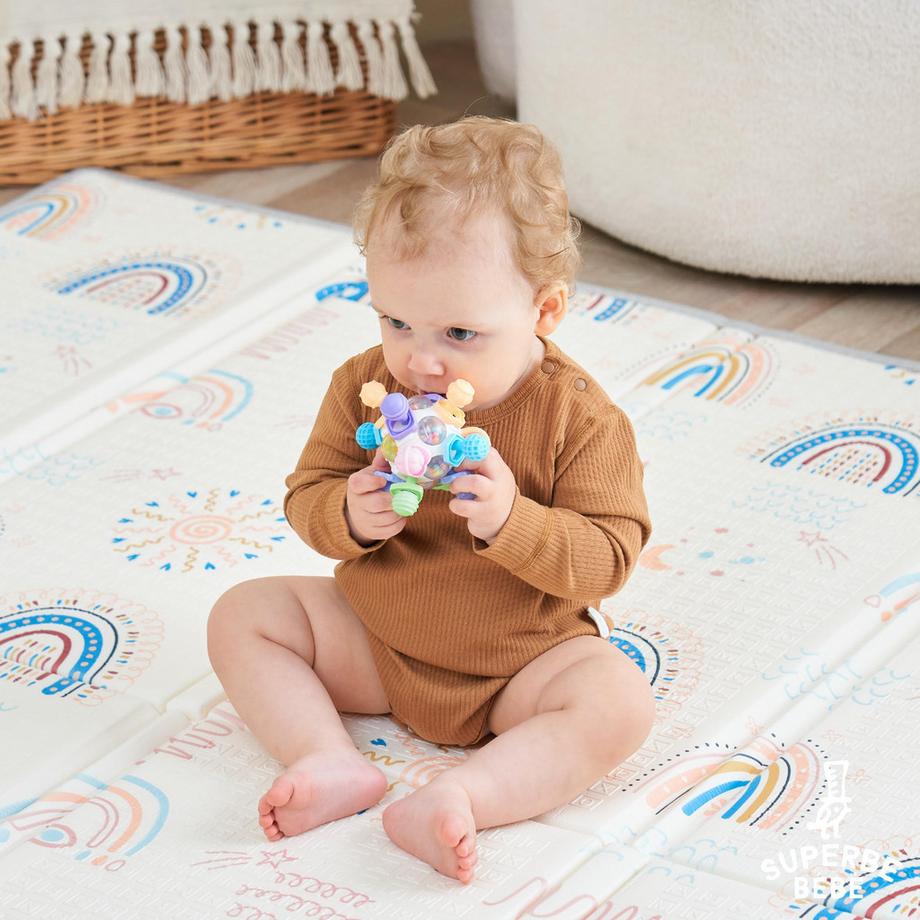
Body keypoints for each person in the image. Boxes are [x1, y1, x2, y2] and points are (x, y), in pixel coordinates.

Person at [207, 115, 655, 885]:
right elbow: (307, 494)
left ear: (544, 310)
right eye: (396, 320)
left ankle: (464, 796)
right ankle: (326, 758)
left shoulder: (579, 418)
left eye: (459, 333)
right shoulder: (363, 385)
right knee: (242, 615)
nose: (420, 360)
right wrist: (350, 516)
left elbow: (609, 558)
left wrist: (514, 521)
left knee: (619, 703)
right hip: (378, 639)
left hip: (520, 663)